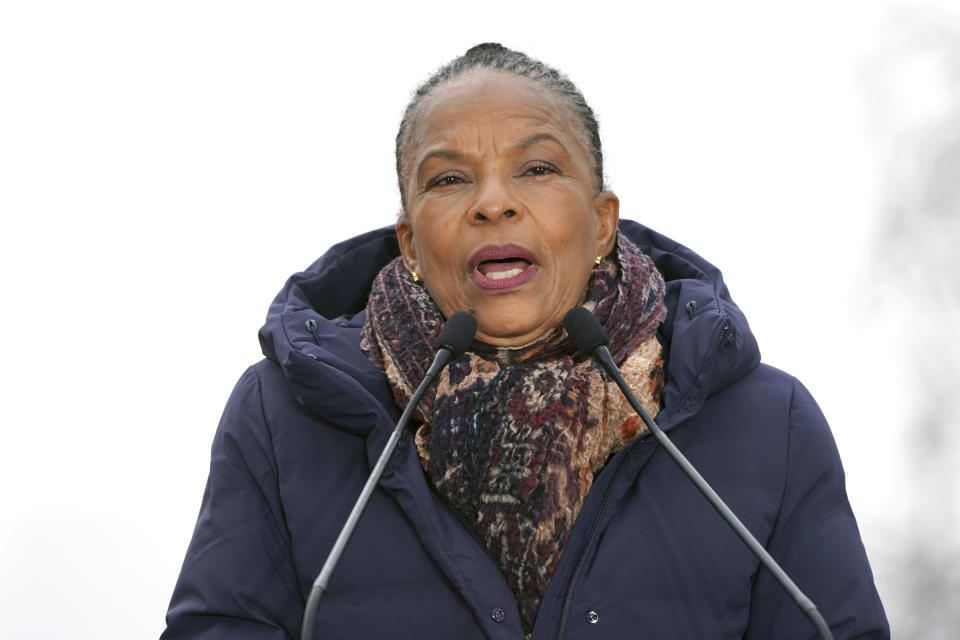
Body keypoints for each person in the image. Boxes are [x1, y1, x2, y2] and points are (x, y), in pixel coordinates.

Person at [161, 44, 889, 639]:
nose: (493, 202)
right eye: (449, 178)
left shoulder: (769, 425)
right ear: (409, 241)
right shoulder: (282, 417)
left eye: (537, 169)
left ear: (603, 221)